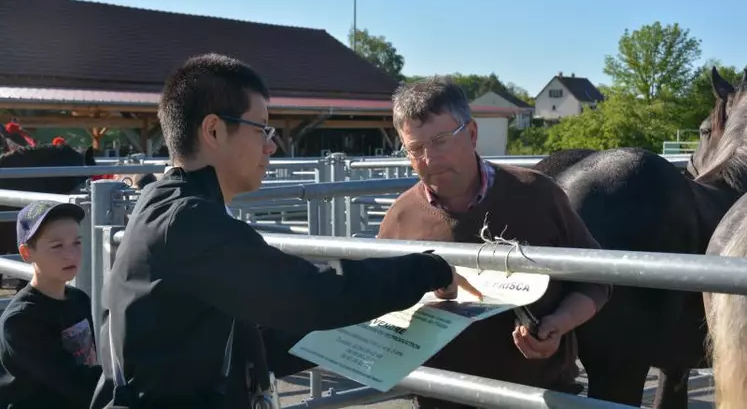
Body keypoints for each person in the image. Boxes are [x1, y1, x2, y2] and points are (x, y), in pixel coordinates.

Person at [90, 53, 480, 409]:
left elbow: (244, 325)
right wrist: (430, 270)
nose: (271, 146)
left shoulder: (172, 205)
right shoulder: (187, 220)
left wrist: (355, 329)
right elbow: (308, 293)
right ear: (213, 131)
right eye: (261, 129)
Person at [376, 77, 612, 409]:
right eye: (415, 148)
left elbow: (596, 278)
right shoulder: (399, 219)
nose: (429, 159)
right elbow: (384, 307)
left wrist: (559, 324)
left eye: (441, 140)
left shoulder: (538, 194)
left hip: (537, 395)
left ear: (471, 134)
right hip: (442, 397)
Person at [0, 201, 102, 409]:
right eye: (57, 246)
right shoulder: (21, 320)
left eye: (77, 242)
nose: (71, 254)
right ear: (27, 253)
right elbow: (73, 383)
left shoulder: (79, 298)